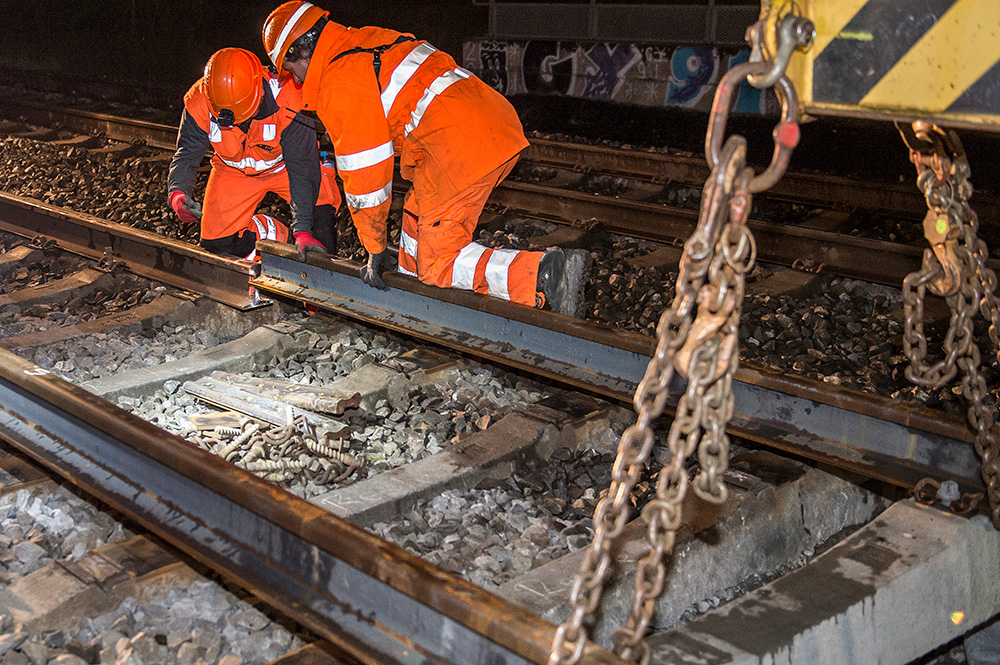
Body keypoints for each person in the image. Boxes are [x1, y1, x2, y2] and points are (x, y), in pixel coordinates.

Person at [261, 2, 591, 316]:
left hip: (457, 142)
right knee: (417, 217)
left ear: (300, 51)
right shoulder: (366, 39)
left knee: (438, 262)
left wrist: (374, 247)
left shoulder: (338, 78)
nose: (297, 80)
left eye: (291, 69)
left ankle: (541, 273)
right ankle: (410, 300)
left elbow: (366, 175)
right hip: (490, 125)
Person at [167, 47, 342, 261]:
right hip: (234, 171)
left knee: (320, 233)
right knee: (218, 242)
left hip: (287, 168)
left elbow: (303, 168)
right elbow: (187, 153)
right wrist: (178, 191)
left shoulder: (290, 99)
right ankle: (275, 236)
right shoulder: (199, 102)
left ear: (259, 88)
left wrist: (303, 229)